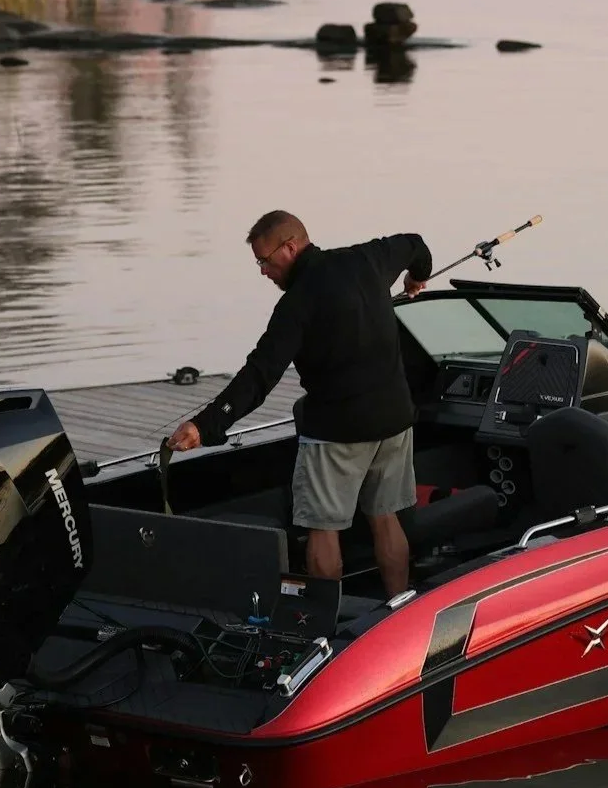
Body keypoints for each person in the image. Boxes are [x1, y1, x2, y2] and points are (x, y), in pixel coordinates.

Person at [166, 211, 431, 597]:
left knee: (323, 531)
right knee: (385, 518)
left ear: (290, 247)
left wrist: (205, 425)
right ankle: (399, 606)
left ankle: (323, 631)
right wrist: (416, 276)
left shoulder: (297, 304)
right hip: (394, 420)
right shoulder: (368, 258)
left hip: (337, 434)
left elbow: (259, 377)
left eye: (264, 260)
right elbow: (416, 243)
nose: (262, 271)